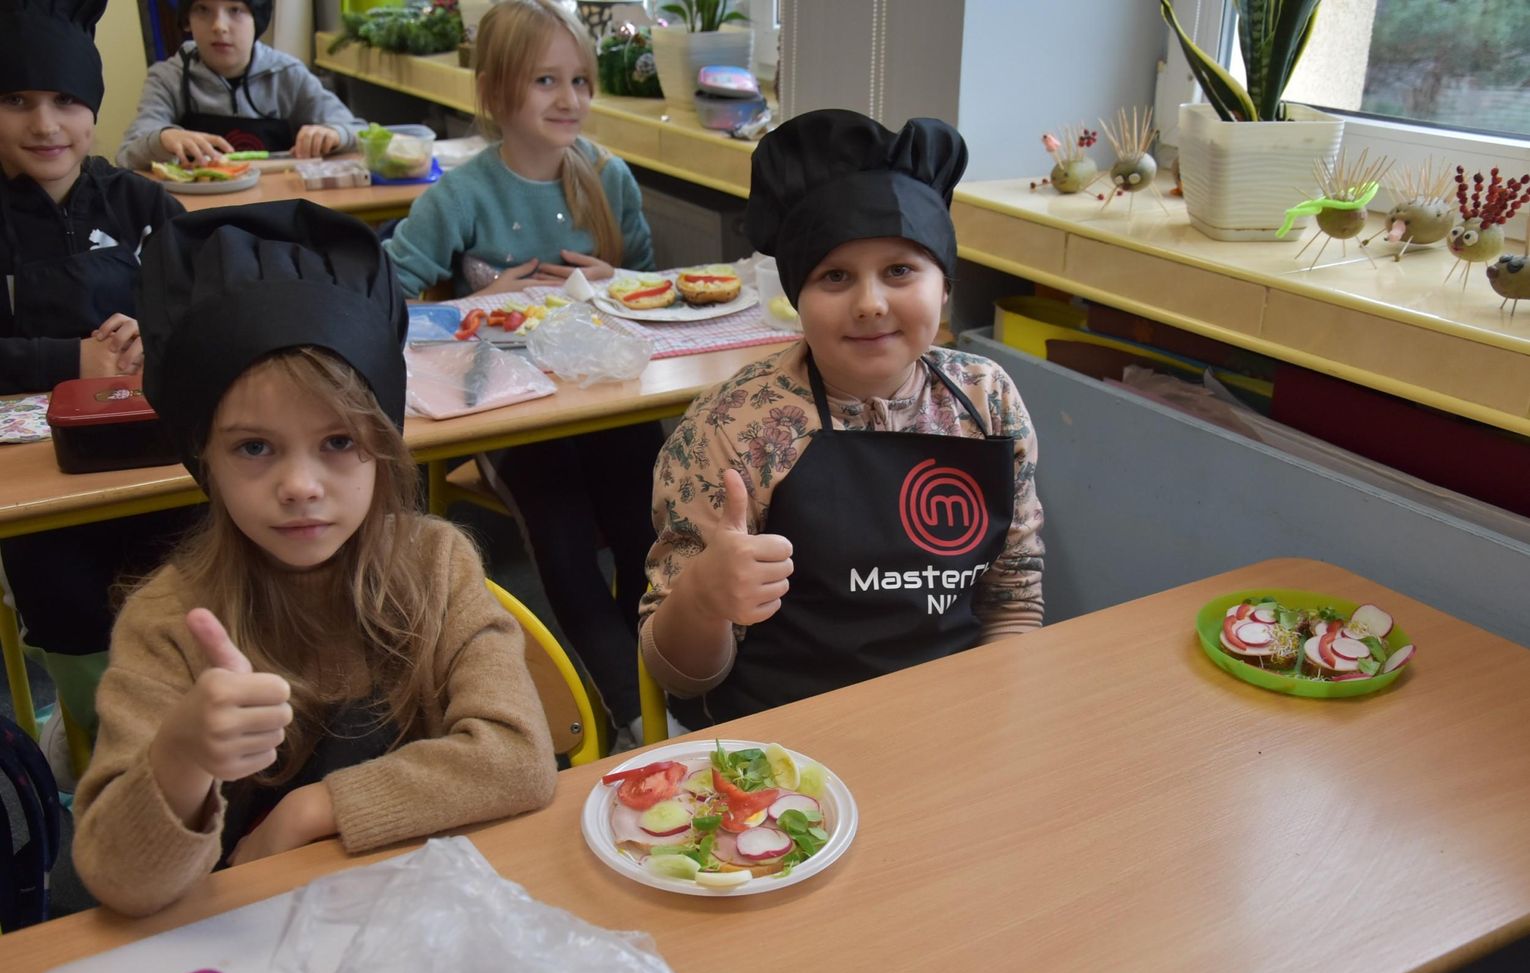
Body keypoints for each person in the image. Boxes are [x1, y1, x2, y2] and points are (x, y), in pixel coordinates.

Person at [70, 201, 558, 917]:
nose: (300, 485)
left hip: (415, 912)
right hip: (239, 933)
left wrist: (311, 808)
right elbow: (118, 878)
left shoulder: (435, 564)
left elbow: (519, 757)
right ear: (204, 458)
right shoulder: (168, 621)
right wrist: (181, 753)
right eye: (254, 447)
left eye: (337, 442)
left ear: (382, 445)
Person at [640, 109, 1046, 729]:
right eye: (834, 276)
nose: (870, 303)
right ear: (796, 298)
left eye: (900, 270)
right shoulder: (731, 427)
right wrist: (703, 598)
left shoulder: (986, 399)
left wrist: (995, 724)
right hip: (785, 745)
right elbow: (679, 674)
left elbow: (1013, 601)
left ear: (944, 286)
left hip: (952, 718)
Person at [384, 0, 660, 748]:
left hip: (605, 400)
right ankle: (632, 711)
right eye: (545, 81)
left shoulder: (609, 177)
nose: (569, 99)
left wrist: (615, 280)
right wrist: (478, 301)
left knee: (647, 524)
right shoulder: (460, 195)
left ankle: (652, 684)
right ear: (497, 92)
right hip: (506, 410)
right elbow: (383, 294)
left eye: (579, 81)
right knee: (562, 534)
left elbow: (649, 285)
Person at [0, 0, 191, 757]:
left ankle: (185, 735)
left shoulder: (141, 202)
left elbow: (207, 300)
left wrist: (156, 331)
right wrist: (66, 360)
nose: (45, 124)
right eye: (17, 100)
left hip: (150, 456)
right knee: (69, 604)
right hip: (37, 483)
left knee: (189, 592)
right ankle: (97, 735)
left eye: (66, 100)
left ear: (94, 109)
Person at [116, 0, 365, 169]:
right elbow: (126, 155)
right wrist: (163, 139)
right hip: (199, 216)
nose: (219, 26)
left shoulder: (288, 75)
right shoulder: (167, 77)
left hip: (277, 209)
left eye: (235, 10)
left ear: (258, 19)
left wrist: (335, 133)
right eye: (203, 9)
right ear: (187, 20)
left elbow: (360, 132)